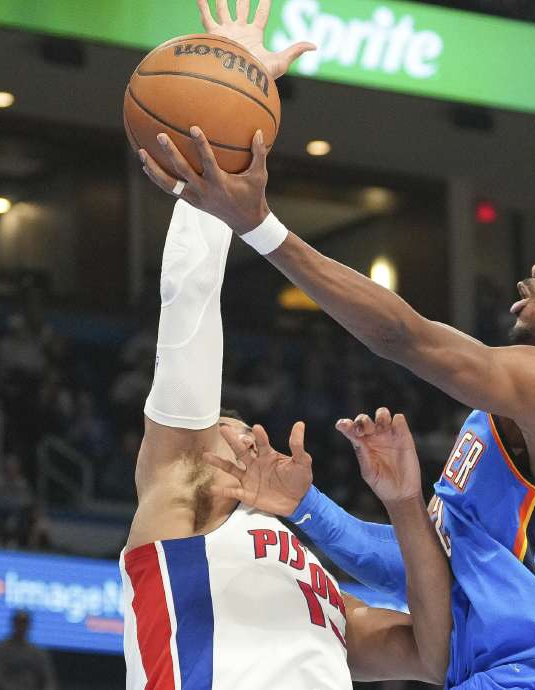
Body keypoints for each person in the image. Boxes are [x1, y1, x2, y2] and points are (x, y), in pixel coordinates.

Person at [137, 3, 535, 687]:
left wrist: (262, 226)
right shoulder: (507, 417)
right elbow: (414, 572)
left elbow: (404, 336)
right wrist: (306, 507)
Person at [116, 24, 450, 683]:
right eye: (223, 428)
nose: (244, 441)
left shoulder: (322, 591)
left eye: (247, 432)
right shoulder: (176, 496)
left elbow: (434, 657)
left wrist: (406, 505)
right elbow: (188, 300)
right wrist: (222, 138)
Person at [0, 611, 55, 690]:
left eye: (24, 623)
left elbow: (48, 679)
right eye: (19, 623)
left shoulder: (38, 652)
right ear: (13, 623)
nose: (21, 627)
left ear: (29, 625)